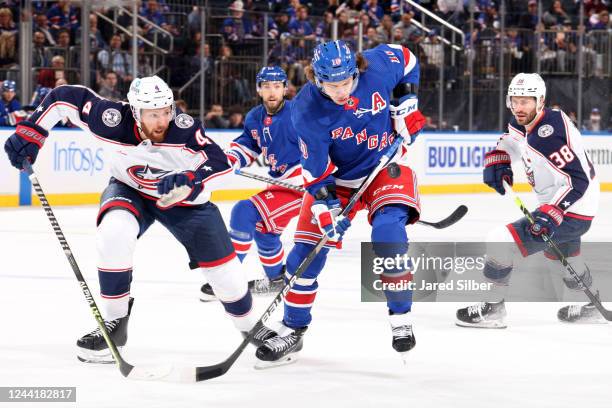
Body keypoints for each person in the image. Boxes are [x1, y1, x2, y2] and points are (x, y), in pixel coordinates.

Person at [3, 76, 276, 363]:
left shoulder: (183, 129)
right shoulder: (109, 119)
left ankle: (250, 327)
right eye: (152, 114)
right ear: (135, 112)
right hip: (128, 188)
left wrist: (193, 177)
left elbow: (220, 163)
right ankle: (115, 326)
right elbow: (63, 97)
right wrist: (32, 132)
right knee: (113, 233)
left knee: (227, 276)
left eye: (165, 111)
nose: (162, 121)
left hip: (183, 200)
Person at [254, 40, 426, 366]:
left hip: (384, 168)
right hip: (341, 181)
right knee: (305, 254)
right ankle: (293, 327)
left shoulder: (376, 66)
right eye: (332, 85)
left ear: (356, 70)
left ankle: (400, 316)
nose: (341, 90)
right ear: (317, 78)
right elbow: (317, 175)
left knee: (388, 237)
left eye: (346, 82)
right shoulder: (306, 110)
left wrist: (407, 100)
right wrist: (328, 209)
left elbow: (408, 58)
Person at [456, 73, 602, 328]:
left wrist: (552, 212)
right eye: (515, 100)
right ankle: (593, 308)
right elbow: (513, 139)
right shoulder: (527, 121)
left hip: (572, 207)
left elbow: (578, 181)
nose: (519, 107)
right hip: (573, 205)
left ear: (540, 101)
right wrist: (500, 155)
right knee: (564, 259)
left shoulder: (548, 136)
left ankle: (493, 308)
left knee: (500, 240)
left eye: (526, 101)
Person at [200, 66, 303, 301]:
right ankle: (277, 279)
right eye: (266, 86)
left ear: (285, 88)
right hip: (280, 183)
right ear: (258, 89)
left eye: (277, 86)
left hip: (303, 186)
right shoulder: (255, 117)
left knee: (244, 211)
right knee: (264, 231)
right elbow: (247, 146)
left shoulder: (299, 111)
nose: (272, 91)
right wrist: (230, 159)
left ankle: (227, 281)